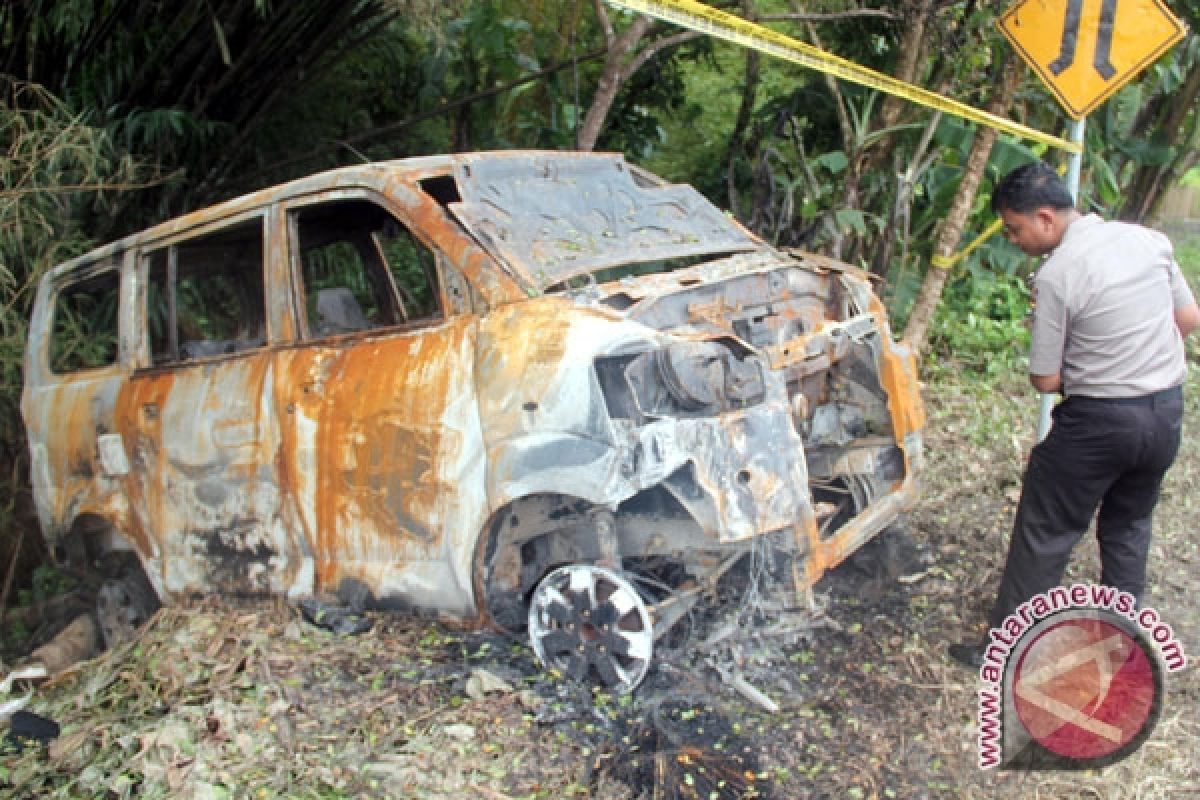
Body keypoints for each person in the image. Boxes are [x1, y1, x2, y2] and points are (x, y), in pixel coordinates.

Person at [949, 162, 1200, 668]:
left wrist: (1094, 363)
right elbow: (1189, 319)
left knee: (1045, 530)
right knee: (1129, 527)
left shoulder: (1059, 274)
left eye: (1016, 229)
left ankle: (1008, 650)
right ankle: (1124, 646)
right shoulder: (1149, 241)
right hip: (1165, 414)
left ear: (1045, 218)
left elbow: (1044, 379)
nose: (1015, 240)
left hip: (1098, 424)